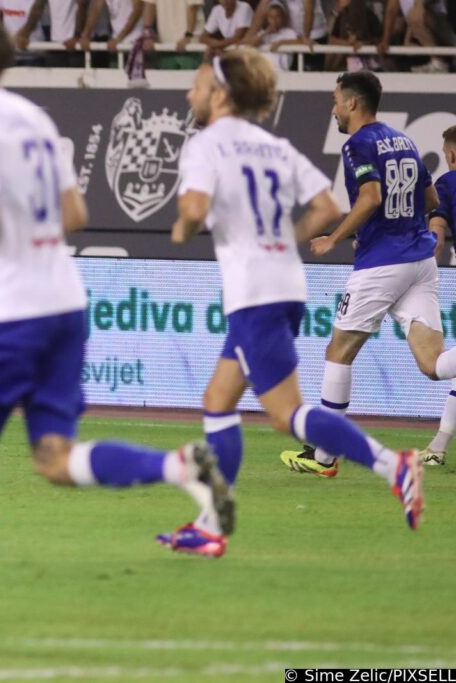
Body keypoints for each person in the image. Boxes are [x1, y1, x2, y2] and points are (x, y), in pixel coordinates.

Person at [0, 21, 234, 643]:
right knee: (54, 458)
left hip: (7, 315)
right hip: (63, 304)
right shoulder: (34, 119)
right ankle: (177, 467)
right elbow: (73, 213)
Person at [165, 50, 423, 559]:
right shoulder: (272, 144)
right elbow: (326, 208)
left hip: (255, 293)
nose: (191, 93)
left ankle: (393, 466)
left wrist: (184, 226)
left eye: (197, 85)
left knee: (286, 414)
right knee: (218, 399)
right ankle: (211, 524)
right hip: (284, 284)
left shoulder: (205, 144)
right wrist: (282, 240)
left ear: (220, 94)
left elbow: (193, 209)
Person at [279, 71, 456, 478]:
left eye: (336, 100)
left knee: (338, 352)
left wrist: (335, 237)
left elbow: (371, 196)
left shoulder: (358, 144)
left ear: (353, 103)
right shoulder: (404, 140)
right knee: (433, 365)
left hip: (382, 264)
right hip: (419, 261)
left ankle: (323, 457)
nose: (334, 109)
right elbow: (430, 197)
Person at [417, 125, 456, 466]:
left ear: (452, 155)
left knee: (435, 367)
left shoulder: (447, 184)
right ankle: (438, 447)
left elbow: (436, 236)